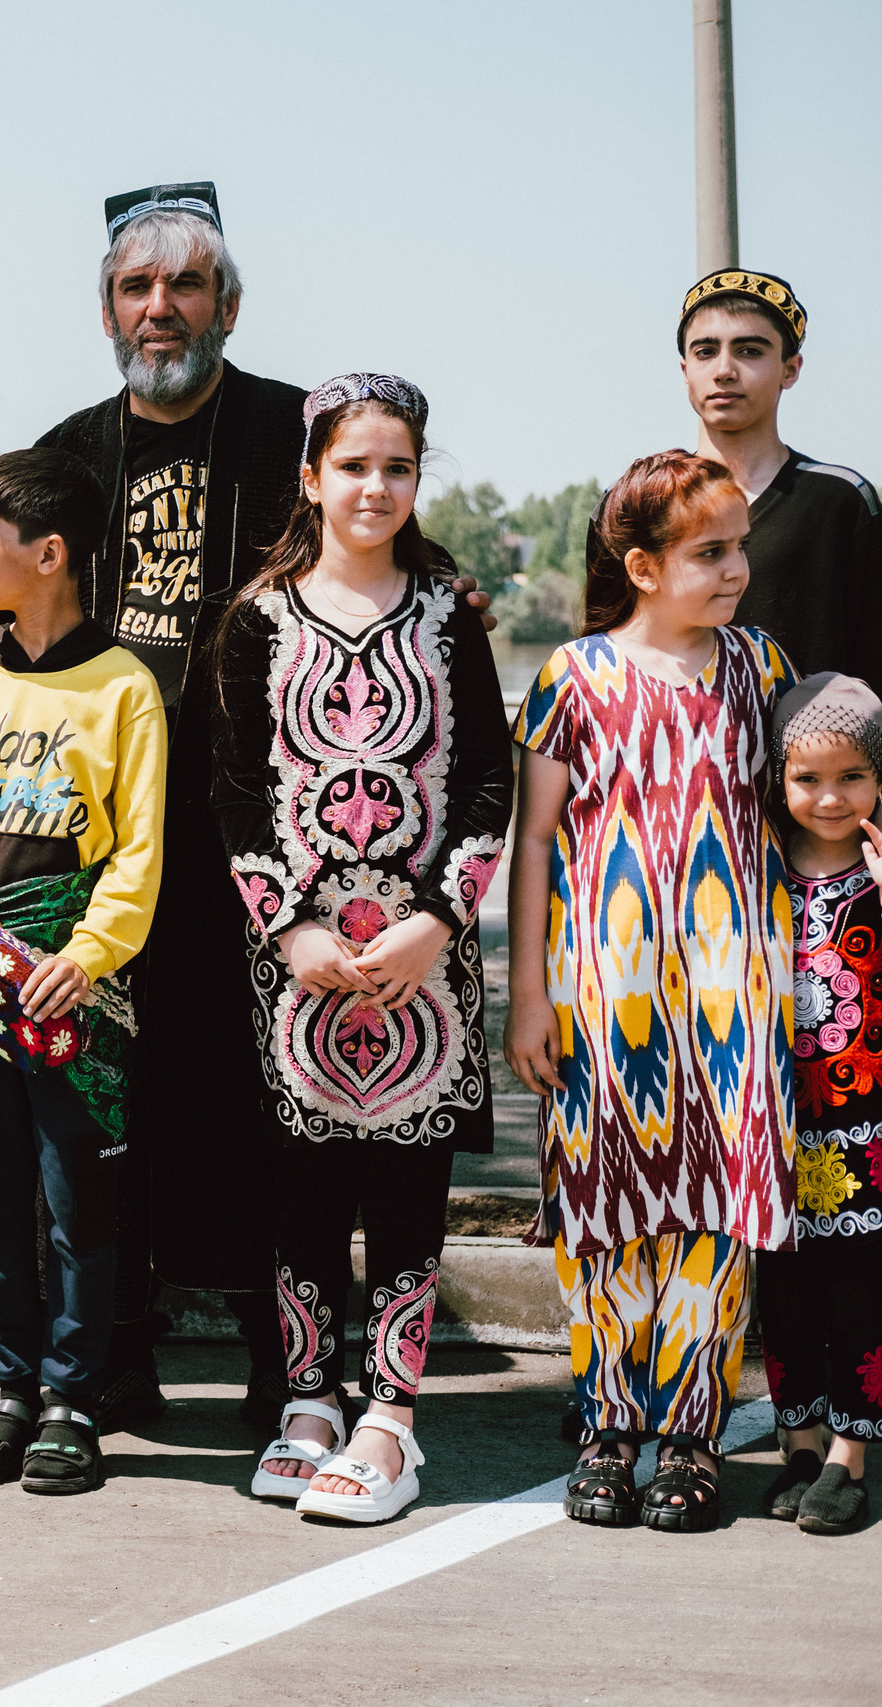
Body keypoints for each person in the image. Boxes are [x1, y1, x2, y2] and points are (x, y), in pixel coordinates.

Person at [0, 185, 489, 1429]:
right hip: (92, 842)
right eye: (135, 288)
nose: (159, 309)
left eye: (184, 287)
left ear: (228, 305)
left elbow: (401, 560)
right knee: (103, 1102)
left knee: (247, 1101)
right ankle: (110, 1352)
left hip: (265, 835)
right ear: (107, 309)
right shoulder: (66, 452)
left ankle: (279, 1360)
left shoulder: (297, 430)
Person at [209, 377, 512, 1524]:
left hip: (423, 960)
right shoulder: (258, 617)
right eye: (352, 467)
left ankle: (391, 1416)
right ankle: (308, 1400)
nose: (374, 487)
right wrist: (285, 927)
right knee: (300, 1187)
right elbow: (233, 790)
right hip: (296, 959)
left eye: (396, 468)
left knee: (404, 1187)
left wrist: (440, 920)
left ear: (415, 479)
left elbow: (487, 780)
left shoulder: (447, 614)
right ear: (310, 478)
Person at [508, 450, 797, 1534]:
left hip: (733, 984)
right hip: (604, 987)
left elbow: (801, 806)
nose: (735, 571)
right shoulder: (572, 677)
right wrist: (528, 997)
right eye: (709, 553)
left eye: (740, 550)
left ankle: (688, 1434)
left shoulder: (758, 667)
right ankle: (605, 1427)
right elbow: (534, 838)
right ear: (640, 566)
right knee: (607, 1202)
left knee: (714, 1205)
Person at [0, 448, 166, 1494]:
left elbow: (138, 853)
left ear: (47, 554)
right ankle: (10, 1389)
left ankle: (71, 1398)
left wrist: (86, 957)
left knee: (76, 1202)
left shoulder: (123, 689)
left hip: (71, 992)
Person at [759, 672, 882, 1536]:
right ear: (780, 777)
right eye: (808, 778)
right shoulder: (757, 870)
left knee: (858, 1289)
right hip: (773, 1119)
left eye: (852, 777)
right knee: (786, 1283)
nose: (830, 797)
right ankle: (798, 1440)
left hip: (865, 1126)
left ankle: (850, 1452)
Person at [672, 271, 878, 680]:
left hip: (816, 739)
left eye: (749, 351)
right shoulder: (638, 505)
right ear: (684, 370)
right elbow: (605, 663)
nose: (724, 370)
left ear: (791, 369)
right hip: (669, 743)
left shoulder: (841, 500)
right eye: (705, 351)